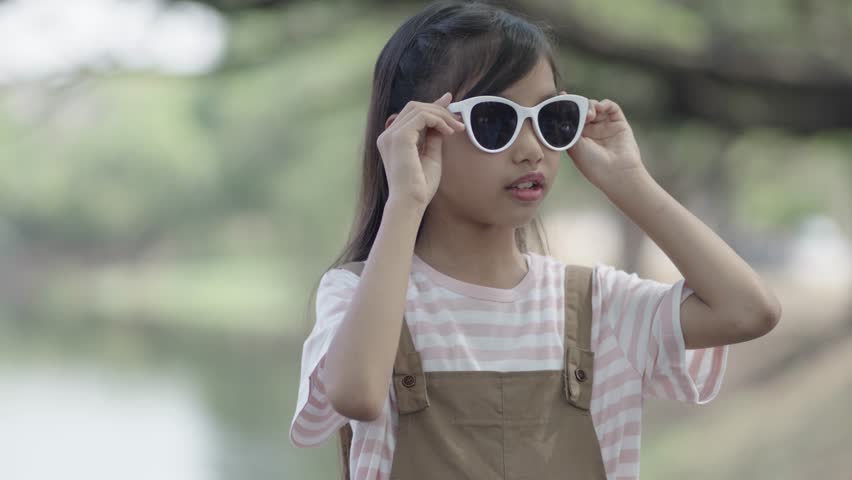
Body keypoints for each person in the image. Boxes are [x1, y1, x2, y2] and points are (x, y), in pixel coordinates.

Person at [289, 1, 782, 479]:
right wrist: (405, 200)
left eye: (551, 120)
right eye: (495, 121)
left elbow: (749, 310)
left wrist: (630, 180)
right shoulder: (359, 295)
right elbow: (355, 394)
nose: (531, 150)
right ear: (417, 135)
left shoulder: (599, 309)